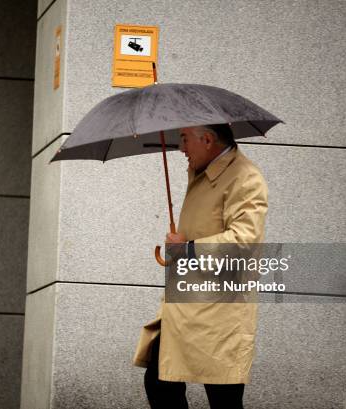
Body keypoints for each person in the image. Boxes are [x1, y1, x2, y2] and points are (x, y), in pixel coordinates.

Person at [132, 124, 269, 409]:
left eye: (184, 139)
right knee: (159, 381)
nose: (180, 148)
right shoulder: (204, 174)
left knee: (223, 399)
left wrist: (188, 248)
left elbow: (244, 241)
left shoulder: (245, 178)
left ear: (207, 139)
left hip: (220, 310)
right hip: (188, 305)